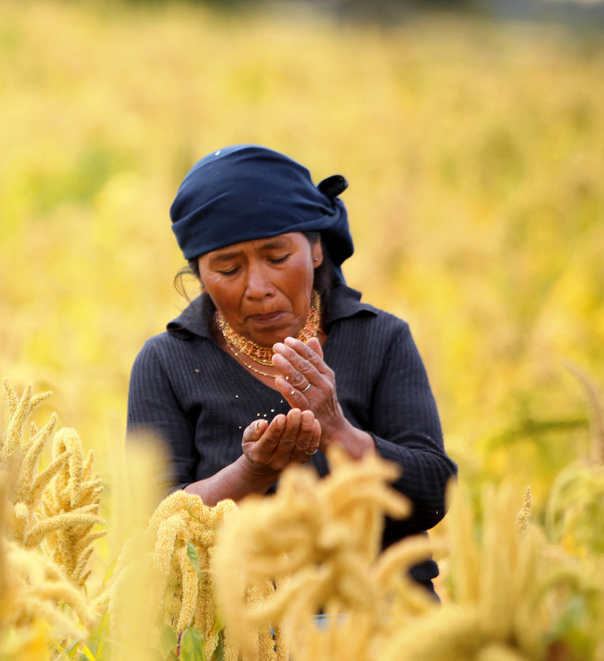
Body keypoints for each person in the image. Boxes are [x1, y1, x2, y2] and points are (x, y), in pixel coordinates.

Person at [127, 144, 456, 590]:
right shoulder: (168, 362)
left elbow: (434, 494)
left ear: (316, 249)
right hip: (242, 647)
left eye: (278, 258)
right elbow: (158, 530)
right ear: (200, 275)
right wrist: (253, 472)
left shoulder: (379, 339)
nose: (258, 287)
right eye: (228, 268)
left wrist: (339, 431)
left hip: (384, 629)